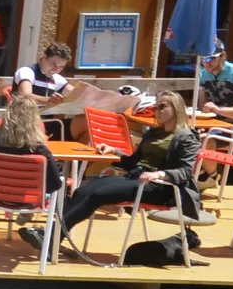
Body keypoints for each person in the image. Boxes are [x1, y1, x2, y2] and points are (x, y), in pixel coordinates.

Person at [27, 92, 199, 249]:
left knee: (98, 195)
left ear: (176, 109)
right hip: (137, 177)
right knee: (84, 190)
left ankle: (50, 239)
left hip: (161, 187)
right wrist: (113, 151)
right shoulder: (153, 133)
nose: (157, 111)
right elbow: (132, 161)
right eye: (156, 106)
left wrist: (160, 174)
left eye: (163, 106)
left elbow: (185, 171)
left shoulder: (186, 137)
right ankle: (53, 238)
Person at [198, 47, 233, 121]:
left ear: (223, 55)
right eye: (203, 59)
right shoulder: (202, 74)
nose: (206, 63)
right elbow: (202, 106)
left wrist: (219, 110)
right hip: (211, 123)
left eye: (211, 58)